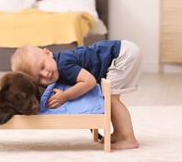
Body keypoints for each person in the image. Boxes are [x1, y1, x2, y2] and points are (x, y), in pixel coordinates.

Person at [10, 40, 142, 150]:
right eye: (39, 78)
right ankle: (120, 133)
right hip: (122, 51)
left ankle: (129, 139)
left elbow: (89, 81)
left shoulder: (63, 64)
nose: (46, 74)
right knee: (110, 98)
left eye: (43, 66)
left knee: (111, 98)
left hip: (122, 54)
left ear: (48, 53)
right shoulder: (56, 65)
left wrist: (65, 96)